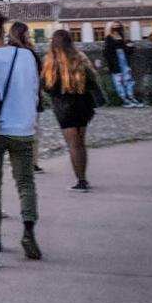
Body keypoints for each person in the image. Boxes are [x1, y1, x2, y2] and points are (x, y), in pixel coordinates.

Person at [0, 11, 42, 259]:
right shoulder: (25, 56)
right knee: (25, 182)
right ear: (3, 29)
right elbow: (34, 89)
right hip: (22, 127)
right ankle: (28, 230)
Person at [42, 30, 102, 193]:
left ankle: (80, 180)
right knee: (81, 143)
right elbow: (92, 80)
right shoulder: (80, 57)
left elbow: (46, 86)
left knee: (73, 145)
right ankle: (83, 178)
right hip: (83, 103)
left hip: (63, 106)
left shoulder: (49, 61)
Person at [8, 22, 46, 173]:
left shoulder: (8, 50)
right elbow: (38, 73)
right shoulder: (27, 52)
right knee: (33, 131)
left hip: (15, 97)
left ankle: (22, 162)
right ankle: (32, 162)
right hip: (29, 95)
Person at [103, 22, 144, 107]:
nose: (117, 28)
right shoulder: (109, 38)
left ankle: (131, 97)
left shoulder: (123, 37)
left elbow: (129, 51)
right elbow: (108, 54)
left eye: (118, 26)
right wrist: (114, 67)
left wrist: (130, 46)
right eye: (114, 26)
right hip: (116, 60)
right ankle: (124, 99)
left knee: (128, 79)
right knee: (119, 80)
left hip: (124, 60)